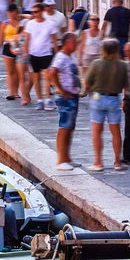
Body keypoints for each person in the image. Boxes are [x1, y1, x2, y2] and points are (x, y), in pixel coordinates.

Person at [83, 39, 129, 171]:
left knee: (97, 132)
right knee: (116, 132)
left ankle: (98, 162)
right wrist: (125, 100)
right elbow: (127, 85)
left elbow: (87, 82)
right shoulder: (122, 65)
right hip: (114, 99)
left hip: (98, 98)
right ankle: (117, 162)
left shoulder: (97, 63)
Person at [50, 33, 84, 170]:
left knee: (70, 127)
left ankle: (67, 157)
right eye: (74, 42)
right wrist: (60, 89)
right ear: (67, 42)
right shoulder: (61, 57)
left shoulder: (70, 56)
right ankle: (61, 160)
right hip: (66, 97)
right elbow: (52, 72)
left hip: (73, 96)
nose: (77, 44)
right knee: (64, 127)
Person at [24, 2, 63, 110]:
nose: (34, 14)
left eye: (36, 12)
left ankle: (48, 100)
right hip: (33, 54)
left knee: (47, 77)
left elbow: (54, 40)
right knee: (35, 78)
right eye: (33, 12)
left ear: (42, 12)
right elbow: (27, 39)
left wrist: (56, 55)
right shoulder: (30, 24)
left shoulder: (50, 23)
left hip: (46, 53)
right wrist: (25, 52)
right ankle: (40, 100)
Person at [0, 5, 25, 102]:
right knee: (10, 71)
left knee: (18, 71)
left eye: (12, 12)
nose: (10, 14)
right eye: (9, 12)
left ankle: (16, 92)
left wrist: (21, 15)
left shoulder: (21, 23)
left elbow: (23, 36)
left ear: (16, 11)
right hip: (7, 47)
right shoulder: (5, 23)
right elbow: (0, 37)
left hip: (18, 47)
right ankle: (11, 92)